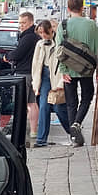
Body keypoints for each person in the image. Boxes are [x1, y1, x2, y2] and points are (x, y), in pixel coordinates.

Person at [55, 0, 98, 147]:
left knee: (71, 103)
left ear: (68, 9)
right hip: (86, 69)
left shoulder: (63, 25)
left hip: (68, 69)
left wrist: (63, 70)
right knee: (87, 97)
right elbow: (96, 48)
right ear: (82, 8)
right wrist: (96, 68)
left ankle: (74, 137)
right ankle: (77, 123)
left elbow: (59, 50)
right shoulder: (91, 25)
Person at [31, 19, 70, 147]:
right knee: (43, 107)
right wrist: (35, 82)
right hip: (44, 76)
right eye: (40, 33)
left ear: (51, 31)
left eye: (45, 33)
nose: (43, 36)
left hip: (56, 76)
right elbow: (35, 64)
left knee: (59, 108)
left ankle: (73, 133)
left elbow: (64, 64)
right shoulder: (39, 44)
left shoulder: (59, 43)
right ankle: (41, 139)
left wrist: (60, 83)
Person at [4, 12, 40, 139]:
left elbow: (18, 54)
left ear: (31, 22)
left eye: (23, 23)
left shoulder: (28, 37)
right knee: (32, 103)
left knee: (20, 104)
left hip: (23, 74)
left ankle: (19, 131)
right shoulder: (36, 37)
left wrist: (7, 56)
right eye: (19, 23)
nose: (21, 26)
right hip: (33, 74)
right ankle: (34, 131)